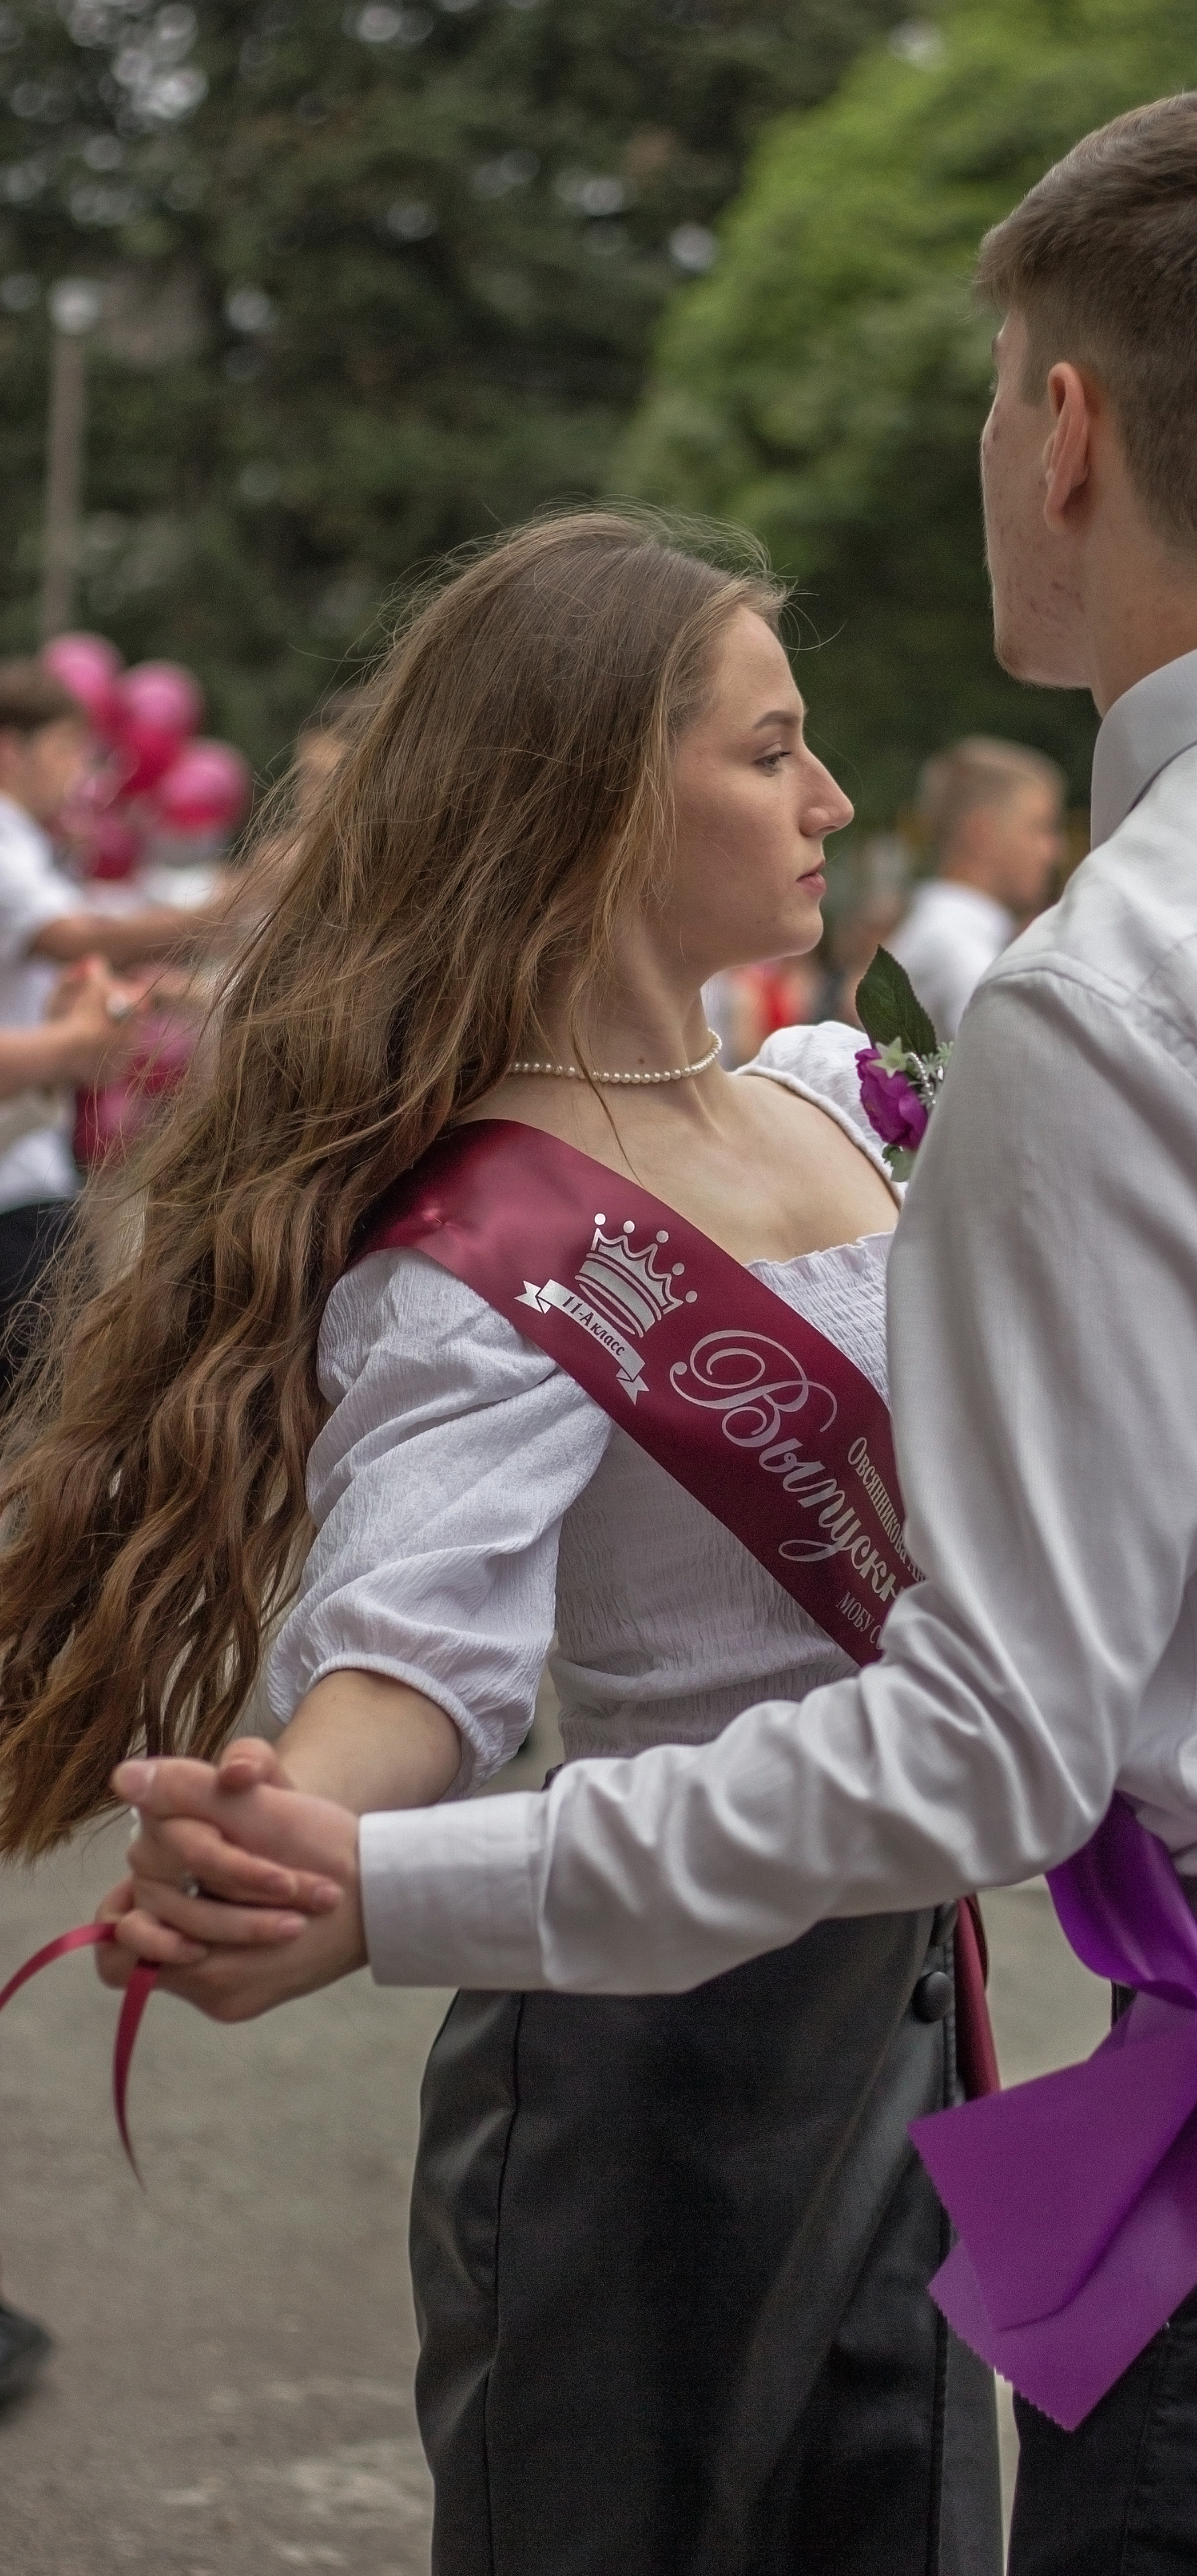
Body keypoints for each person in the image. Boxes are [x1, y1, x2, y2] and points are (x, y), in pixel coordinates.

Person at [100, 92, 1197, 2575]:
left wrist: (368, 1886)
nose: (824, 781)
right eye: (764, 742)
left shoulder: (1113, 989)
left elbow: (994, 1732)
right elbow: (431, 1588)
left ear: (1057, 428)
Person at [0, 515, 1001, 2575]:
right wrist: (301, 1822)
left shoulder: (834, 1094)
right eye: (769, 750)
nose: (826, 801)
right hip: (647, 2060)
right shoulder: (491, 1250)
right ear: (596, 794)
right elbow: (415, 1638)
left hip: (907, 1993)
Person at [0, 659, 231, 1369]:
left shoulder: (30, 844)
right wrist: (76, 1041)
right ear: (11, 749)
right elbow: (79, 937)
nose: (82, 771)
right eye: (69, 748)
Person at [888, 737, 1064, 1038]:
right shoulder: (960, 951)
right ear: (982, 834)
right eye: (1039, 828)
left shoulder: (944, 935)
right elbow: (1009, 1073)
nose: (1053, 852)